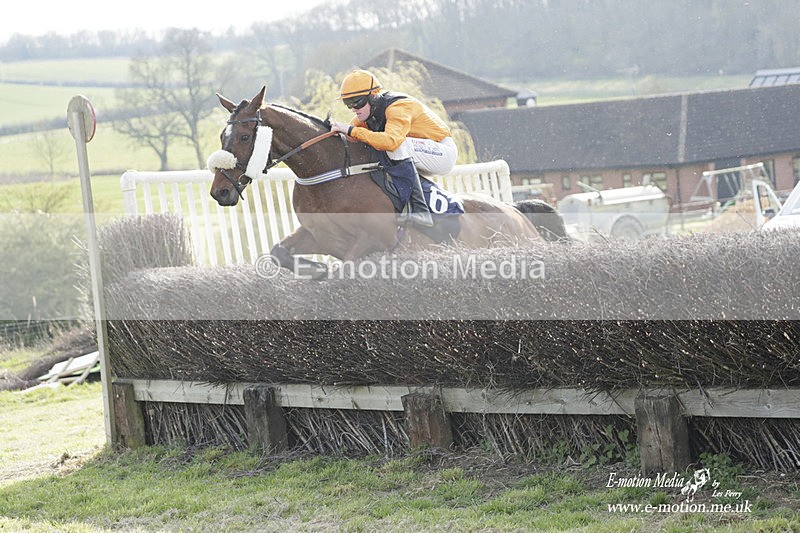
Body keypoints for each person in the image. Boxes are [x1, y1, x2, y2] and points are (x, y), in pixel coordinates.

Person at [330, 69, 458, 227]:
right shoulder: (365, 115)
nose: (354, 108)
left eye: (357, 102)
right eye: (348, 103)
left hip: (443, 151)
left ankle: (420, 211)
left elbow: (391, 142)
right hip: (419, 154)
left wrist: (351, 130)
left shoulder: (398, 106)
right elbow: (352, 138)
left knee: (396, 145)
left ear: (373, 96)